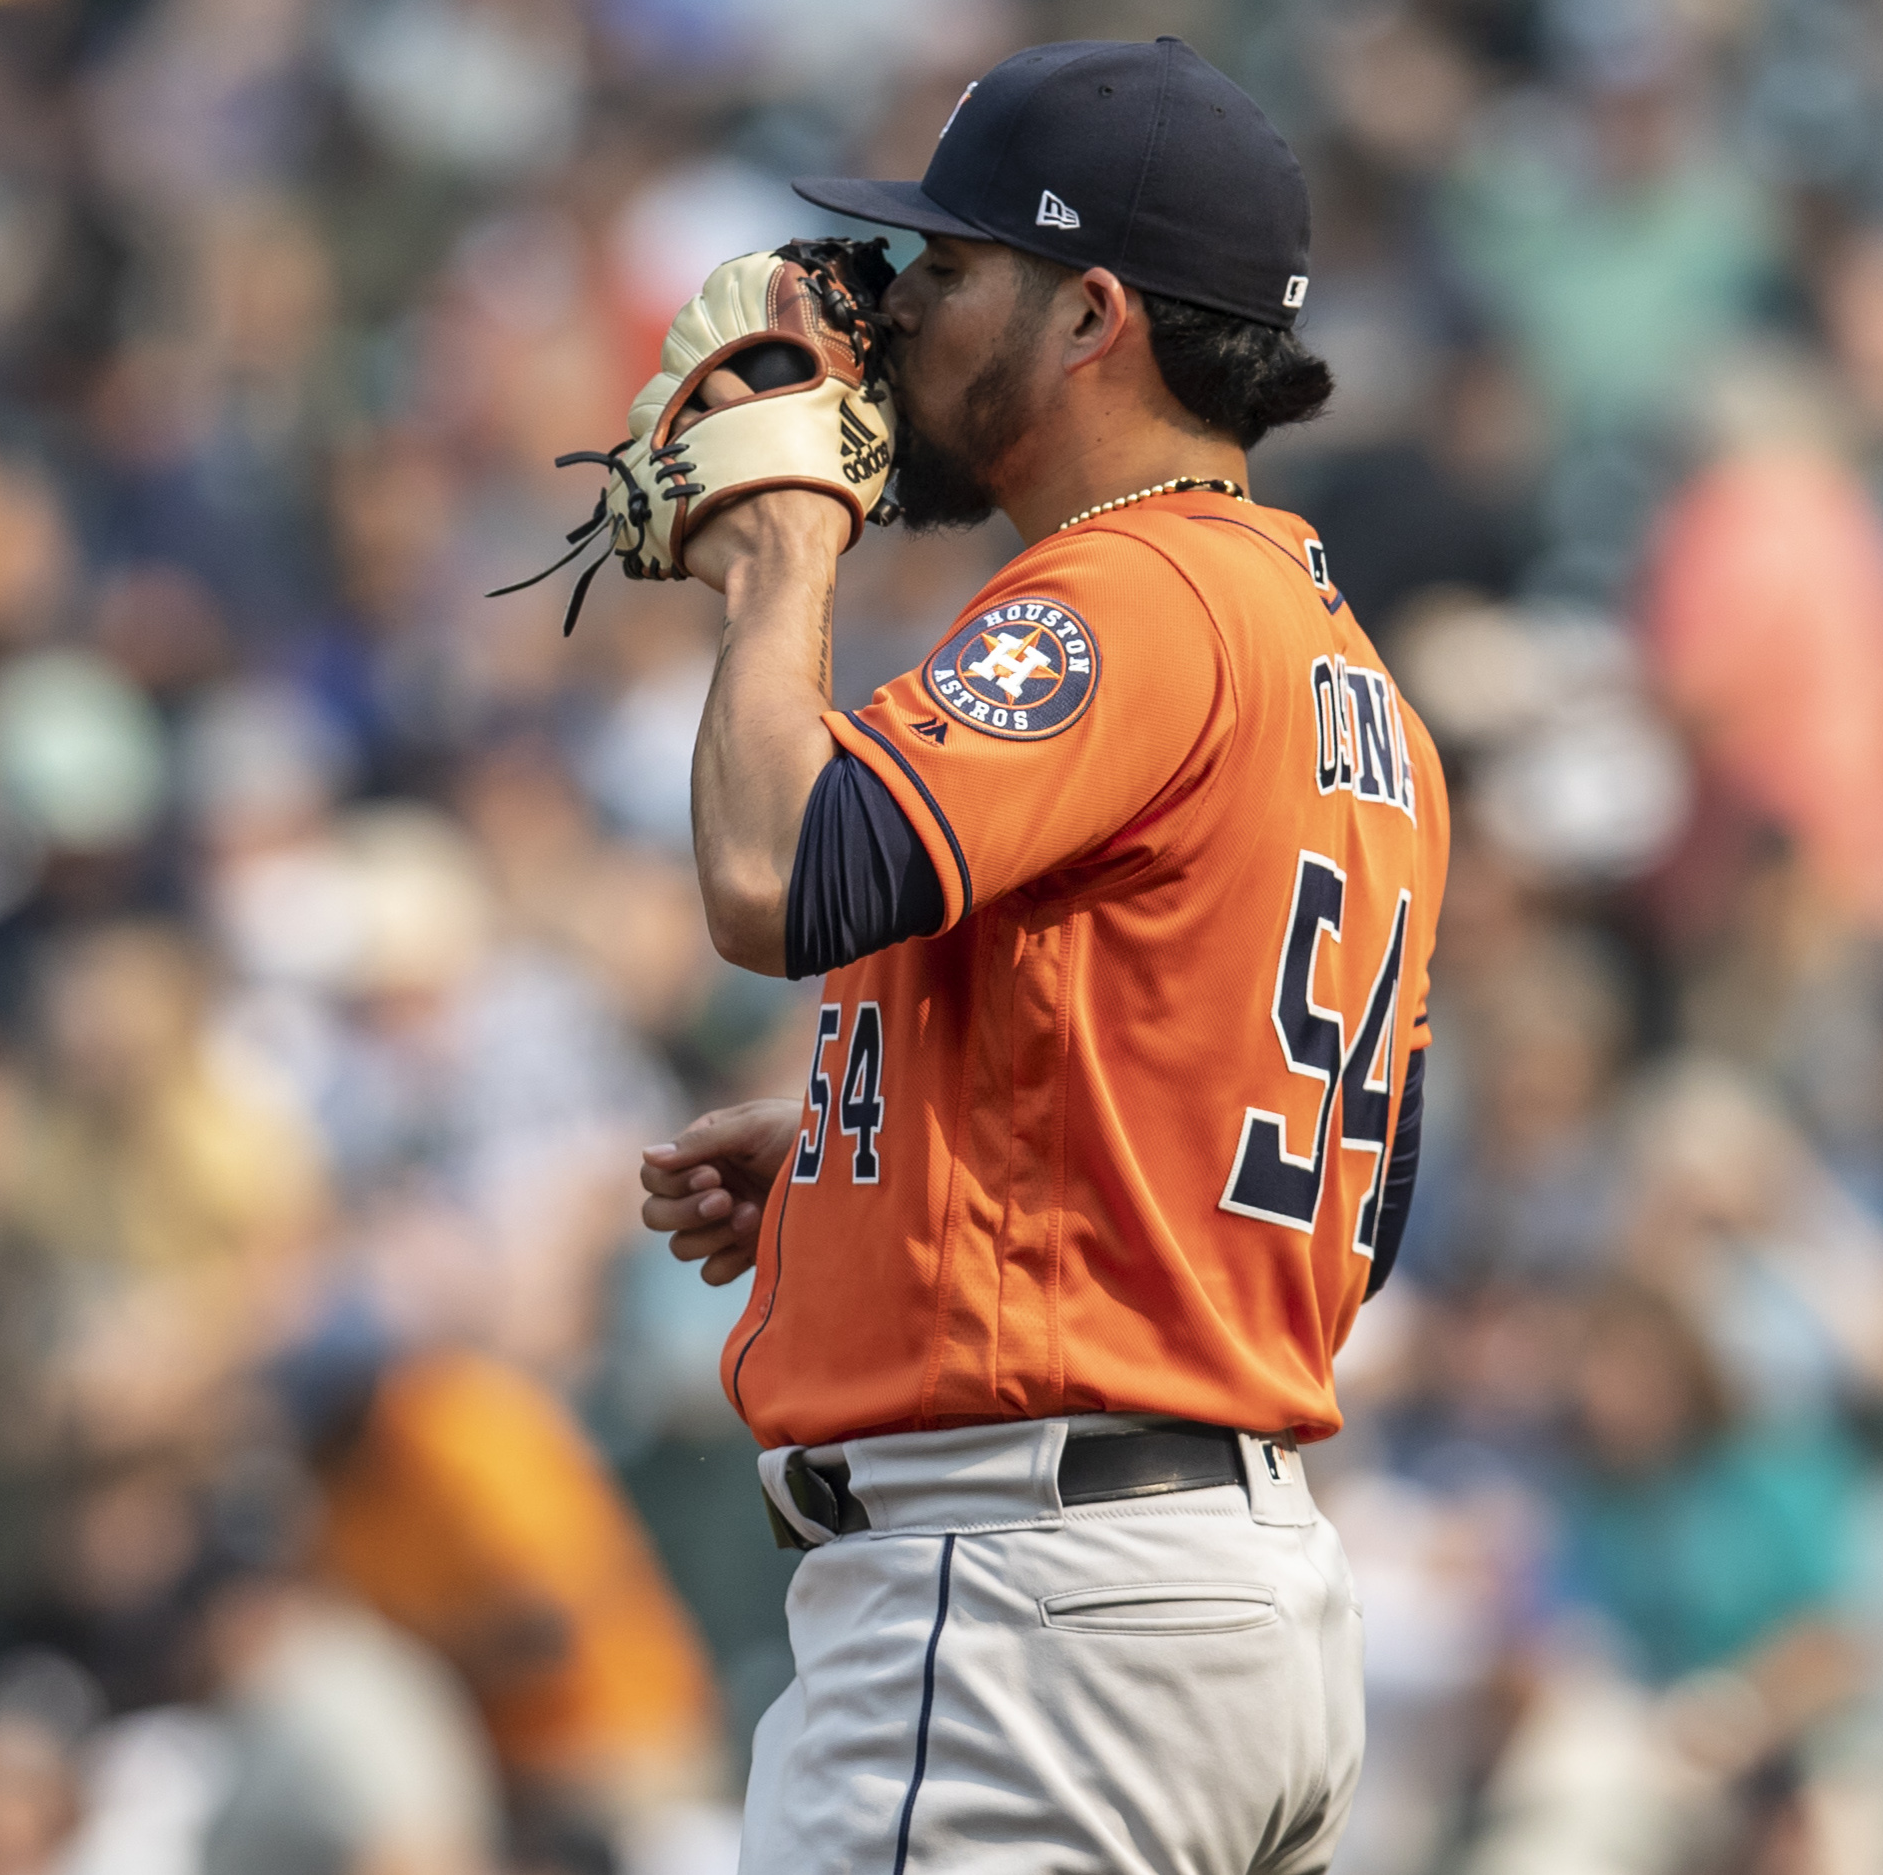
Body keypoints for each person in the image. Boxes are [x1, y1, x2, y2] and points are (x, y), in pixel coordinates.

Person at [631, 38, 1448, 1873]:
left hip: (1028, 1618)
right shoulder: (1350, 682)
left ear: (1088, 316)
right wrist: (887, 1153)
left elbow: (772, 877)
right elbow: (1340, 1212)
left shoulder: (1127, 590)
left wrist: (778, 554)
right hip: (1229, 1621)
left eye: (947, 266)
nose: (898, 307)